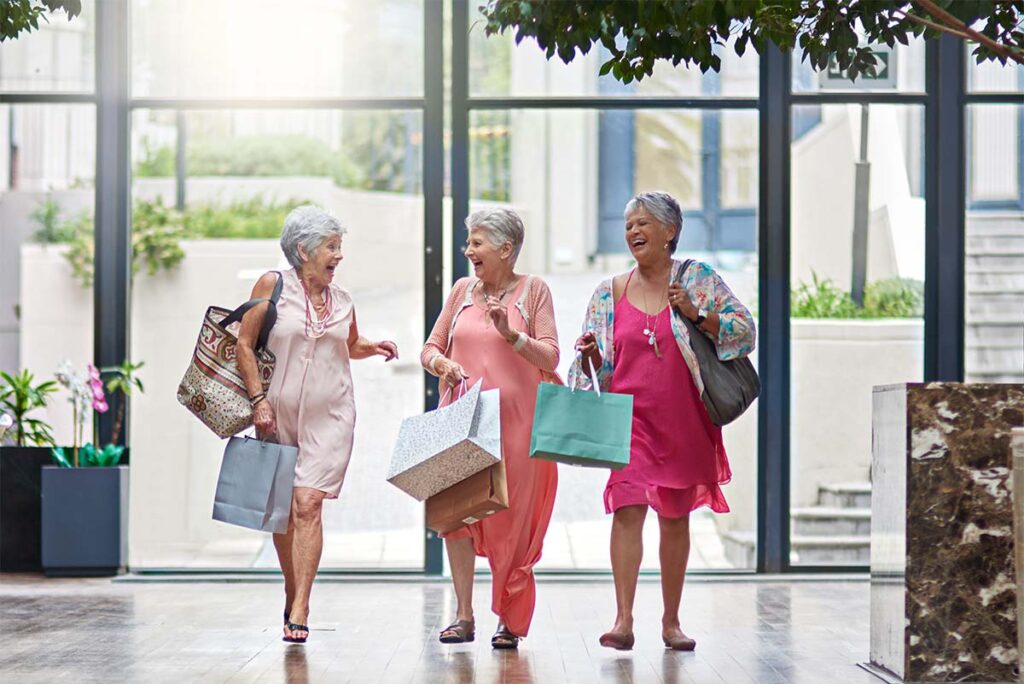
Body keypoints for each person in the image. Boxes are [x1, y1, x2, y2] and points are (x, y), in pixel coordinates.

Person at [571, 191, 756, 652]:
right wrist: (592, 356)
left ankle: (671, 622)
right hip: (628, 421)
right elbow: (594, 375)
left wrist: (697, 314)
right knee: (627, 507)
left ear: (670, 231)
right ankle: (623, 620)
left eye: (643, 223)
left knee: (674, 518)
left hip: (684, 420)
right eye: (628, 223)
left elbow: (744, 331)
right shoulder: (608, 292)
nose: (633, 230)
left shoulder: (697, 279)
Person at [235, 205, 398, 644]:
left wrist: (374, 346)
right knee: (284, 514)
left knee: (309, 503)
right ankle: (293, 590)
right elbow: (244, 345)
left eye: (339, 246)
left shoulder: (342, 299)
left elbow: (348, 343)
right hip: (276, 415)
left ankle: (302, 605)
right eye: (332, 246)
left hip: (332, 416)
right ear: (303, 249)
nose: (339, 255)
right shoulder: (273, 286)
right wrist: (257, 401)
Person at [420, 208, 560, 649]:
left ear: (505, 248)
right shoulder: (462, 290)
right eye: (468, 242)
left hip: (518, 427)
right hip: (461, 418)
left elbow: (551, 357)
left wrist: (511, 334)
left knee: (510, 521)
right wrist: (441, 363)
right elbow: (430, 347)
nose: (468, 251)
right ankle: (463, 614)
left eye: (477, 242)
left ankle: (509, 615)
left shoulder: (534, 290)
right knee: (455, 518)